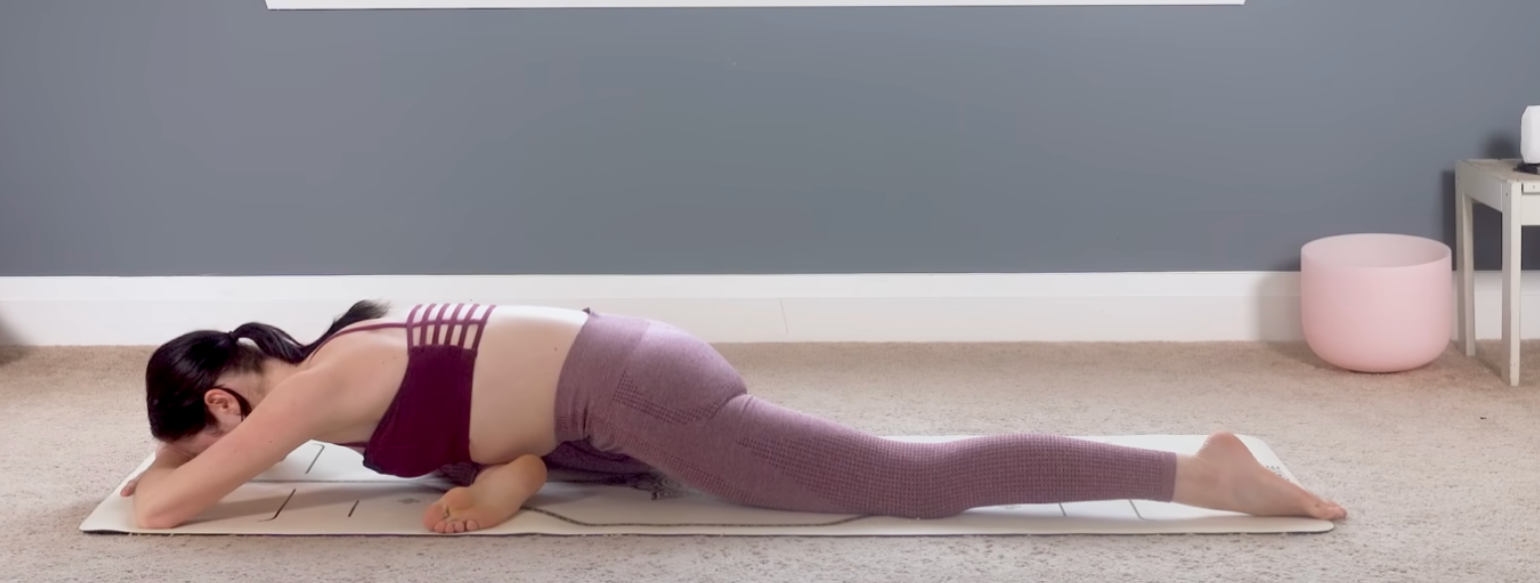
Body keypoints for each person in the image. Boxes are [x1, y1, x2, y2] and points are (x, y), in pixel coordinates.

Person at [126, 301, 1346, 532]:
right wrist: (499, 487)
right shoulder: (352, 359)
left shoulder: (322, 388)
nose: (224, 453)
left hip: (645, 389)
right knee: (894, 464)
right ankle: (1197, 467)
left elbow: (166, 511)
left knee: (907, 483)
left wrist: (167, 476)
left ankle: (1203, 474)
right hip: (635, 370)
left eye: (211, 433)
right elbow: (515, 432)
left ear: (226, 401)